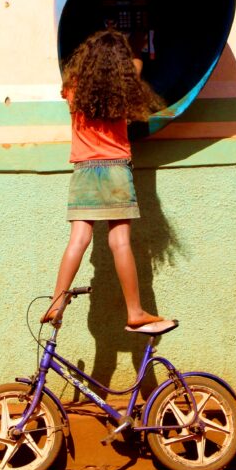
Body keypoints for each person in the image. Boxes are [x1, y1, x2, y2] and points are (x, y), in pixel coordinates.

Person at [41, 29, 168, 329]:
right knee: (120, 241)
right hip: (115, 171)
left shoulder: (73, 89)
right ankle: (134, 312)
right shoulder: (124, 90)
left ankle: (58, 301)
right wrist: (138, 41)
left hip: (84, 170)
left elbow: (70, 83)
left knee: (78, 239)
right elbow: (136, 66)